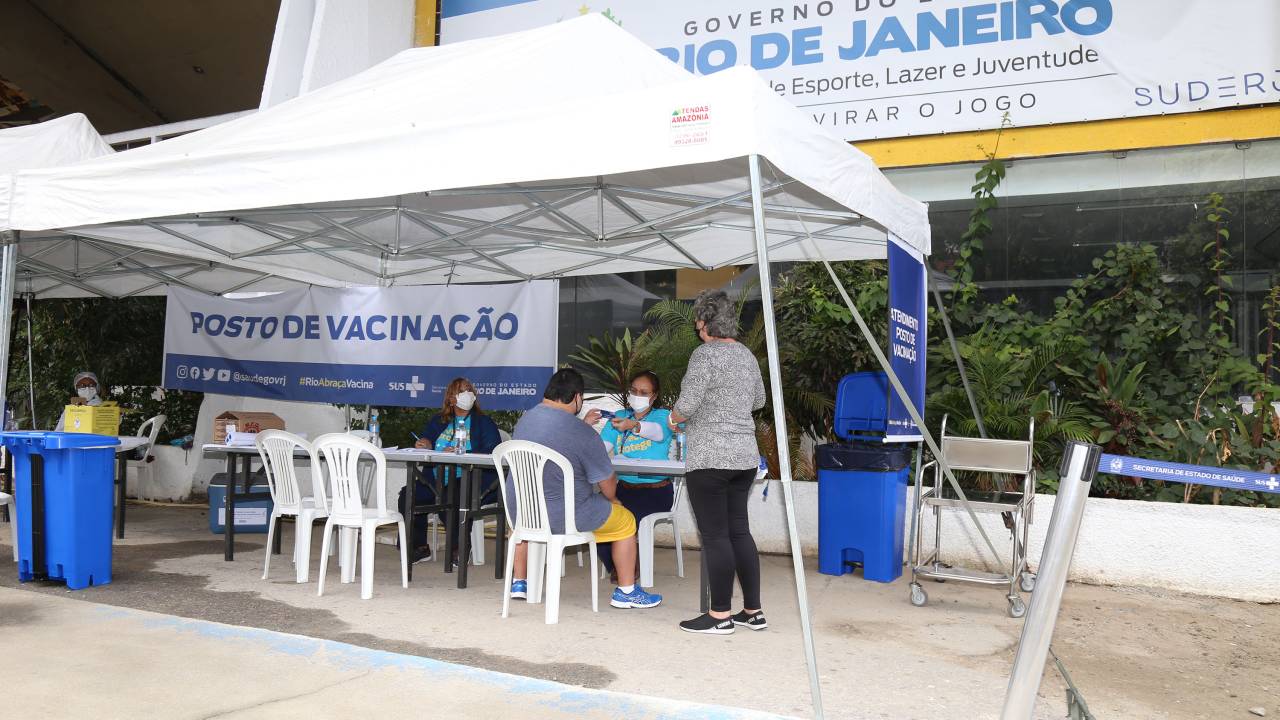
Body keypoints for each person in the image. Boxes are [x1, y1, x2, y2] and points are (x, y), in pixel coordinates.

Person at [506, 368, 662, 610]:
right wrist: (613, 500)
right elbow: (607, 481)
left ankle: (520, 582)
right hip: (565, 517)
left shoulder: (526, 419)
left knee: (541, 509)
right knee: (625, 520)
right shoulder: (579, 430)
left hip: (522, 514)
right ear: (577, 397)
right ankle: (627, 592)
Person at [667, 290, 768, 635]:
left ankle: (719, 615)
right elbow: (759, 400)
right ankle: (753, 611)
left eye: (698, 325)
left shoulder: (705, 355)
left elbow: (688, 403)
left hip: (710, 456)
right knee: (739, 530)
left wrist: (674, 417)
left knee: (715, 536)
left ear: (707, 322)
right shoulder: (747, 356)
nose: (698, 330)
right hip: (744, 456)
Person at [397, 377, 501, 562]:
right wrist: (425, 443)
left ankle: (458, 547)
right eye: (462, 391)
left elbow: (493, 451)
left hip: (474, 478)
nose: (467, 393)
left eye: (469, 389)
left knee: (451, 494)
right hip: (436, 478)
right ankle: (419, 547)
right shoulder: (439, 421)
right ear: (451, 399)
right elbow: (427, 440)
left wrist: (463, 452)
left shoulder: (483, 422)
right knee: (409, 495)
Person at [597, 370, 675, 582]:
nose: (637, 395)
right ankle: (622, 565)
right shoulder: (619, 416)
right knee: (598, 518)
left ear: (654, 396)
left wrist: (635, 426)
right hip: (623, 488)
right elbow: (601, 449)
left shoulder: (663, 416)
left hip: (656, 490)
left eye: (643, 392)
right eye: (633, 391)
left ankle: (626, 568)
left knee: (628, 520)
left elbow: (657, 433)